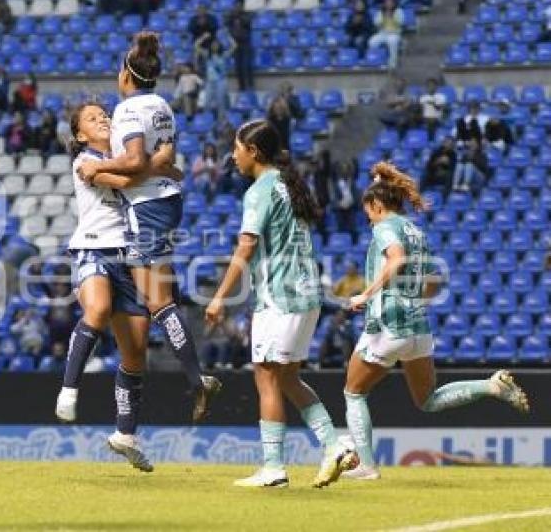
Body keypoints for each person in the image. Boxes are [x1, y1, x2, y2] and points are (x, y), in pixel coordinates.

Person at [342, 162, 528, 480]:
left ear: (376, 205)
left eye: (368, 211)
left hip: (389, 324)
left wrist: (366, 295)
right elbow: (432, 282)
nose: (368, 218)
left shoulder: (385, 227)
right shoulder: (417, 232)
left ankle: (368, 466)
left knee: (354, 392)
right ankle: (491, 385)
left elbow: (396, 259)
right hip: (418, 328)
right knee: (427, 400)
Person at [75, 32, 222, 424]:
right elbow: (167, 161)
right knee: (161, 298)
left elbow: (137, 160)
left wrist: (99, 166)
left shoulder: (127, 110)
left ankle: (197, 379)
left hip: (147, 208)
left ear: (126, 74)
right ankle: (195, 379)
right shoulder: (163, 106)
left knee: (158, 302)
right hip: (168, 200)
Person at [205, 120, 357, 489]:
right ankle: (335, 445)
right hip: (307, 297)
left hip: (280, 297)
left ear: (253, 152)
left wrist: (219, 297)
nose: (234, 155)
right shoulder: (290, 185)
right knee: (288, 377)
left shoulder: (259, 191)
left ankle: (273, 468)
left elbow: (246, 245)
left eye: (238, 148)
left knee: (267, 377)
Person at [55, 101, 184, 470]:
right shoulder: (84, 162)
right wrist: (152, 163)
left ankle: (125, 435)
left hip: (130, 255)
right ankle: (68, 390)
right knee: (97, 309)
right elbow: (131, 180)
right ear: (80, 135)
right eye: (93, 119)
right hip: (93, 246)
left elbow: (173, 173)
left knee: (136, 353)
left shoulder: (124, 153)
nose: (103, 120)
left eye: (105, 115)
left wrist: (152, 163)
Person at [195, 38, 231, 119]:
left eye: (216, 44)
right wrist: (203, 37)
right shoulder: (207, 54)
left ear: (219, 46)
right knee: (206, 102)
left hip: (221, 81)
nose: (214, 46)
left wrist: (228, 36)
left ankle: (221, 121)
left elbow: (234, 46)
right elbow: (196, 46)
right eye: (213, 44)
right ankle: (206, 120)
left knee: (221, 102)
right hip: (209, 81)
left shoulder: (223, 55)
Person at [225, 0, 254, 91]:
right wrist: (233, 16)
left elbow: (248, 23)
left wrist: (239, 17)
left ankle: (250, 86)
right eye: (236, 5)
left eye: (240, 5)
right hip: (235, 44)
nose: (238, 7)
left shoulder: (247, 15)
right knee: (238, 66)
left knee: (247, 65)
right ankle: (241, 86)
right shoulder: (231, 16)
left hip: (245, 43)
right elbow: (226, 23)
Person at [367, 0, 403, 69]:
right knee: (372, 42)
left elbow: (401, 22)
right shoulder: (381, 12)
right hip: (383, 33)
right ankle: (378, 60)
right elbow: (376, 23)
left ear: (393, 3)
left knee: (392, 42)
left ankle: (392, 63)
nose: (389, 4)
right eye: (387, 2)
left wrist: (392, 16)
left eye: (390, 2)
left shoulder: (398, 11)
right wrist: (382, 18)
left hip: (394, 33)